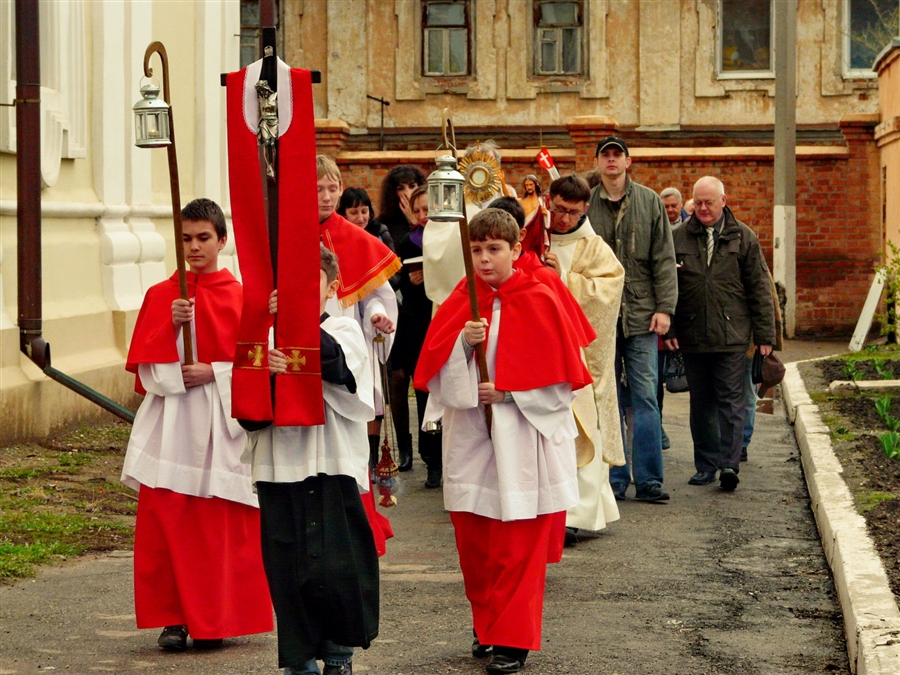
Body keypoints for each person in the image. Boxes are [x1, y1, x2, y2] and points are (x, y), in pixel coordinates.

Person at [414, 209, 592, 674]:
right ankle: (487, 623)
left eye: (494, 249)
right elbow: (433, 376)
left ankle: (512, 640)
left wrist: (511, 392)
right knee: (476, 542)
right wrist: (461, 346)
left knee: (517, 542)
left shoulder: (540, 295)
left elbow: (561, 384)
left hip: (522, 439)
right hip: (472, 436)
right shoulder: (461, 300)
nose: (485, 259)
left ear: (516, 250)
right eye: (476, 250)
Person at [121, 198, 272, 651]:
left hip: (222, 420)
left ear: (222, 240)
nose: (194, 247)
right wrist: (169, 327)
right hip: (172, 422)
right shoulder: (162, 295)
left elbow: (261, 358)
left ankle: (215, 618)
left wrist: (217, 372)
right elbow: (147, 371)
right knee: (167, 518)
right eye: (186, 238)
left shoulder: (244, 295)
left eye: (204, 238)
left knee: (217, 525)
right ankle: (173, 618)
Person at [244, 244, 379, 675]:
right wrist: (265, 372)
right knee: (288, 569)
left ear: (331, 288)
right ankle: (298, 661)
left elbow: (340, 369)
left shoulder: (343, 329)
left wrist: (298, 321)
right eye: (288, 287)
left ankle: (339, 655)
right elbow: (246, 411)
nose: (297, 293)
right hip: (278, 466)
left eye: (308, 285)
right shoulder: (261, 336)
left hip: (331, 463)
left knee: (339, 567)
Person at [664, 176, 776, 492]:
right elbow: (668, 286)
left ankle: (729, 464)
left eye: (709, 202)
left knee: (731, 401)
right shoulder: (679, 238)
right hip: (693, 334)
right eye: (697, 202)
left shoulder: (744, 238)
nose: (702, 208)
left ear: (723, 201)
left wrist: (765, 335)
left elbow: (759, 288)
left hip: (733, 334)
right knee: (701, 403)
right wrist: (671, 327)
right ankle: (706, 465)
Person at [585, 136, 677, 503]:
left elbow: (664, 259)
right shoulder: (587, 204)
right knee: (606, 396)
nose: (611, 161)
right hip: (600, 316)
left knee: (645, 397)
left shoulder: (649, 201)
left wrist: (664, 308)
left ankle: (650, 479)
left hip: (641, 314)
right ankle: (615, 478)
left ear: (628, 161)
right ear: (597, 163)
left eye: (617, 155)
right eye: (605, 155)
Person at [540, 175, 626, 541]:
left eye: (572, 213)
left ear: (585, 210)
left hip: (578, 351)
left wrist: (562, 279)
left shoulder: (593, 247)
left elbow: (607, 292)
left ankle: (578, 515)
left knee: (582, 425)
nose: (563, 220)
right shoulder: (532, 237)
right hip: (538, 348)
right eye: (558, 209)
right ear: (548, 200)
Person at [317, 156, 400, 471]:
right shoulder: (287, 232)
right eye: (318, 189)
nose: (326, 196)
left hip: (346, 341)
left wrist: (377, 316)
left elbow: (376, 297)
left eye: (332, 188)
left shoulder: (357, 240)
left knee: (348, 430)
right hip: (300, 343)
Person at [391, 185, 443, 486]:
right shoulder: (408, 241)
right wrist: (412, 281)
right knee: (421, 389)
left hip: (441, 318)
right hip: (415, 321)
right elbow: (399, 279)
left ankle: (441, 456)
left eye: (429, 210)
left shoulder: (452, 238)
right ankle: (430, 460)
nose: (424, 216)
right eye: (419, 210)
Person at [378, 165, 426, 250]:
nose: (408, 193)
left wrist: (414, 221)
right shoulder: (384, 222)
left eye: (412, 186)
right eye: (401, 188)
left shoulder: (431, 214)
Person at [337, 187, 395, 252]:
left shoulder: (380, 233)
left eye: (364, 211)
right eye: (354, 213)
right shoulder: (336, 238)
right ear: (344, 214)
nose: (360, 218)